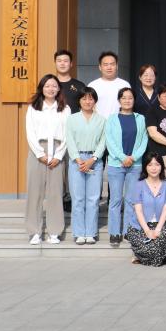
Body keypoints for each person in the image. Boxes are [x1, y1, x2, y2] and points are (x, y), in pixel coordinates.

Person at [24, 74, 70, 245]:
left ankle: (54, 231)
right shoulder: (33, 108)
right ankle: (34, 231)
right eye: (47, 86)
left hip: (58, 150)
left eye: (54, 86)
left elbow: (68, 134)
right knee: (34, 192)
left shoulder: (65, 109)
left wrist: (58, 155)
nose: (51, 89)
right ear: (42, 88)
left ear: (58, 89)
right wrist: (40, 154)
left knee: (55, 193)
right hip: (37, 151)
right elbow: (30, 132)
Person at [104, 87, 147, 247]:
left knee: (131, 199)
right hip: (116, 164)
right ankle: (114, 232)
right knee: (115, 199)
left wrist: (133, 157)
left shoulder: (140, 118)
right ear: (119, 100)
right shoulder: (112, 119)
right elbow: (109, 141)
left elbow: (144, 140)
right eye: (124, 98)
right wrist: (123, 157)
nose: (127, 100)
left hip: (135, 164)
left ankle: (129, 230)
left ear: (134, 100)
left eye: (130, 98)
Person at [65, 87, 106, 244]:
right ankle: (79, 232)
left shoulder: (102, 120)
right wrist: (78, 159)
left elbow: (103, 141)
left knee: (93, 198)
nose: (88, 101)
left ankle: (91, 232)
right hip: (77, 160)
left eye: (91, 98)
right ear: (79, 101)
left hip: (94, 160)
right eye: (84, 99)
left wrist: (93, 158)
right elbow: (69, 139)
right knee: (78, 198)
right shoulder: (72, 119)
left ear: (95, 101)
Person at [124, 152, 166, 267]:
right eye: (150, 165)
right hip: (139, 226)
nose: (153, 168)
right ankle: (149, 255)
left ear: (161, 166)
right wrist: (147, 231)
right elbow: (138, 211)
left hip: (159, 225)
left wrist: (157, 230)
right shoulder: (138, 185)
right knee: (152, 248)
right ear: (145, 167)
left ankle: (143, 256)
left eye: (157, 164)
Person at [87, 51, 130, 118]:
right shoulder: (92, 85)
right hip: (99, 123)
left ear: (117, 66)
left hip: (120, 122)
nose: (109, 67)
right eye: (105, 64)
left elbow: (129, 107)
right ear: (100, 67)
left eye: (112, 64)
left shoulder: (125, 85)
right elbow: (88, 107)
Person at [54, 49, 85, 113]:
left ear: (71, 64)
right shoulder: (49, 85)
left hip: (74, 119)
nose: (62, 64)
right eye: (59, 61)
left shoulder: (80, 85)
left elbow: (85, 107)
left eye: (65, 61)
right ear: (55, 63)